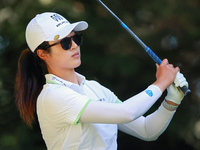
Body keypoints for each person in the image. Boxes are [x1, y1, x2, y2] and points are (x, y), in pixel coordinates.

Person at [15, 12, 188, 150]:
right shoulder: (52, 97)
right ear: (43, 54)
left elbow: (147, 130)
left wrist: (172, 100)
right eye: (65, 43)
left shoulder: (94, 88)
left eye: (76, 38)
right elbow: (126, 112)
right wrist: (160, 84)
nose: (75, 45)